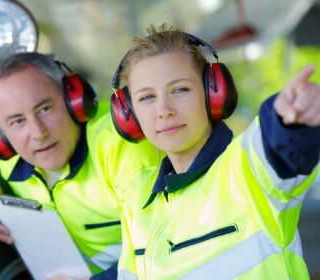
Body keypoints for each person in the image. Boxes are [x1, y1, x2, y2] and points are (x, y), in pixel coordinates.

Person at [109, 24, 320, 279]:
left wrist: (290, 120)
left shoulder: (245, 167)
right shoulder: (137, 198)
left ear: (213, 94)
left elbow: (277, 144)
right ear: (128, 115)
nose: (164, 109)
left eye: (180, 89)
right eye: (146, 98)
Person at [0, 52, 160, 278]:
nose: (38, 133)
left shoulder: (123, 145)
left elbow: (163, 250)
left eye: (44, 109)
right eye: (18, 121)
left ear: (75, 100)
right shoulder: (13, 157)